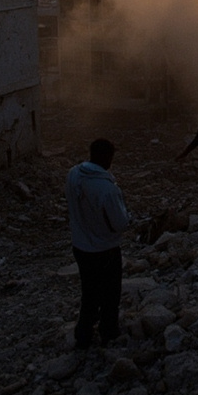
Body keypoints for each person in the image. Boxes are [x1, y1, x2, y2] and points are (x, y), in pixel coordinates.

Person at [65, 138, 130, 350]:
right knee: (111, 293)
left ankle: (83, 335)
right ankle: (108, 332)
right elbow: (120, 223)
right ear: (107, 157)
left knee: (89, 292)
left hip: (80, 247)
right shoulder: (106, 189)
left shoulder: (74, 174)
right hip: (105, 249)